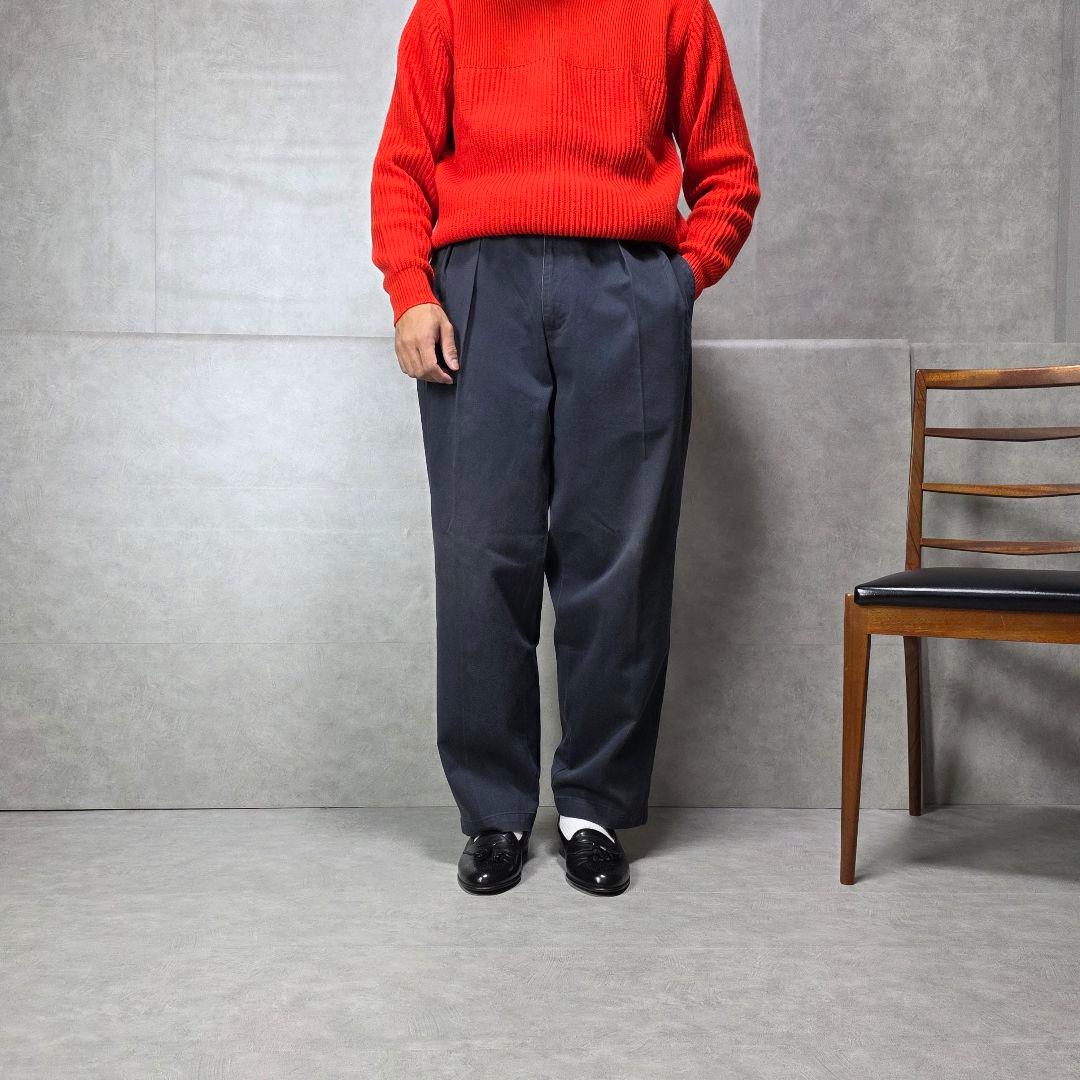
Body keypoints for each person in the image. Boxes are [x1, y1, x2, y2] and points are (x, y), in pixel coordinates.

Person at [370, 0, 759, 896]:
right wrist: (410, 290)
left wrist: (673, 287)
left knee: (619, 558)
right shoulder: (448, 11)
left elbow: (730, 173)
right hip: (478, 288)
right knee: (481, 553)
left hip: (625, 286)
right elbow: (402, 166)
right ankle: (494, 814)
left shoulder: (674, 10)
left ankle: (594, 809)